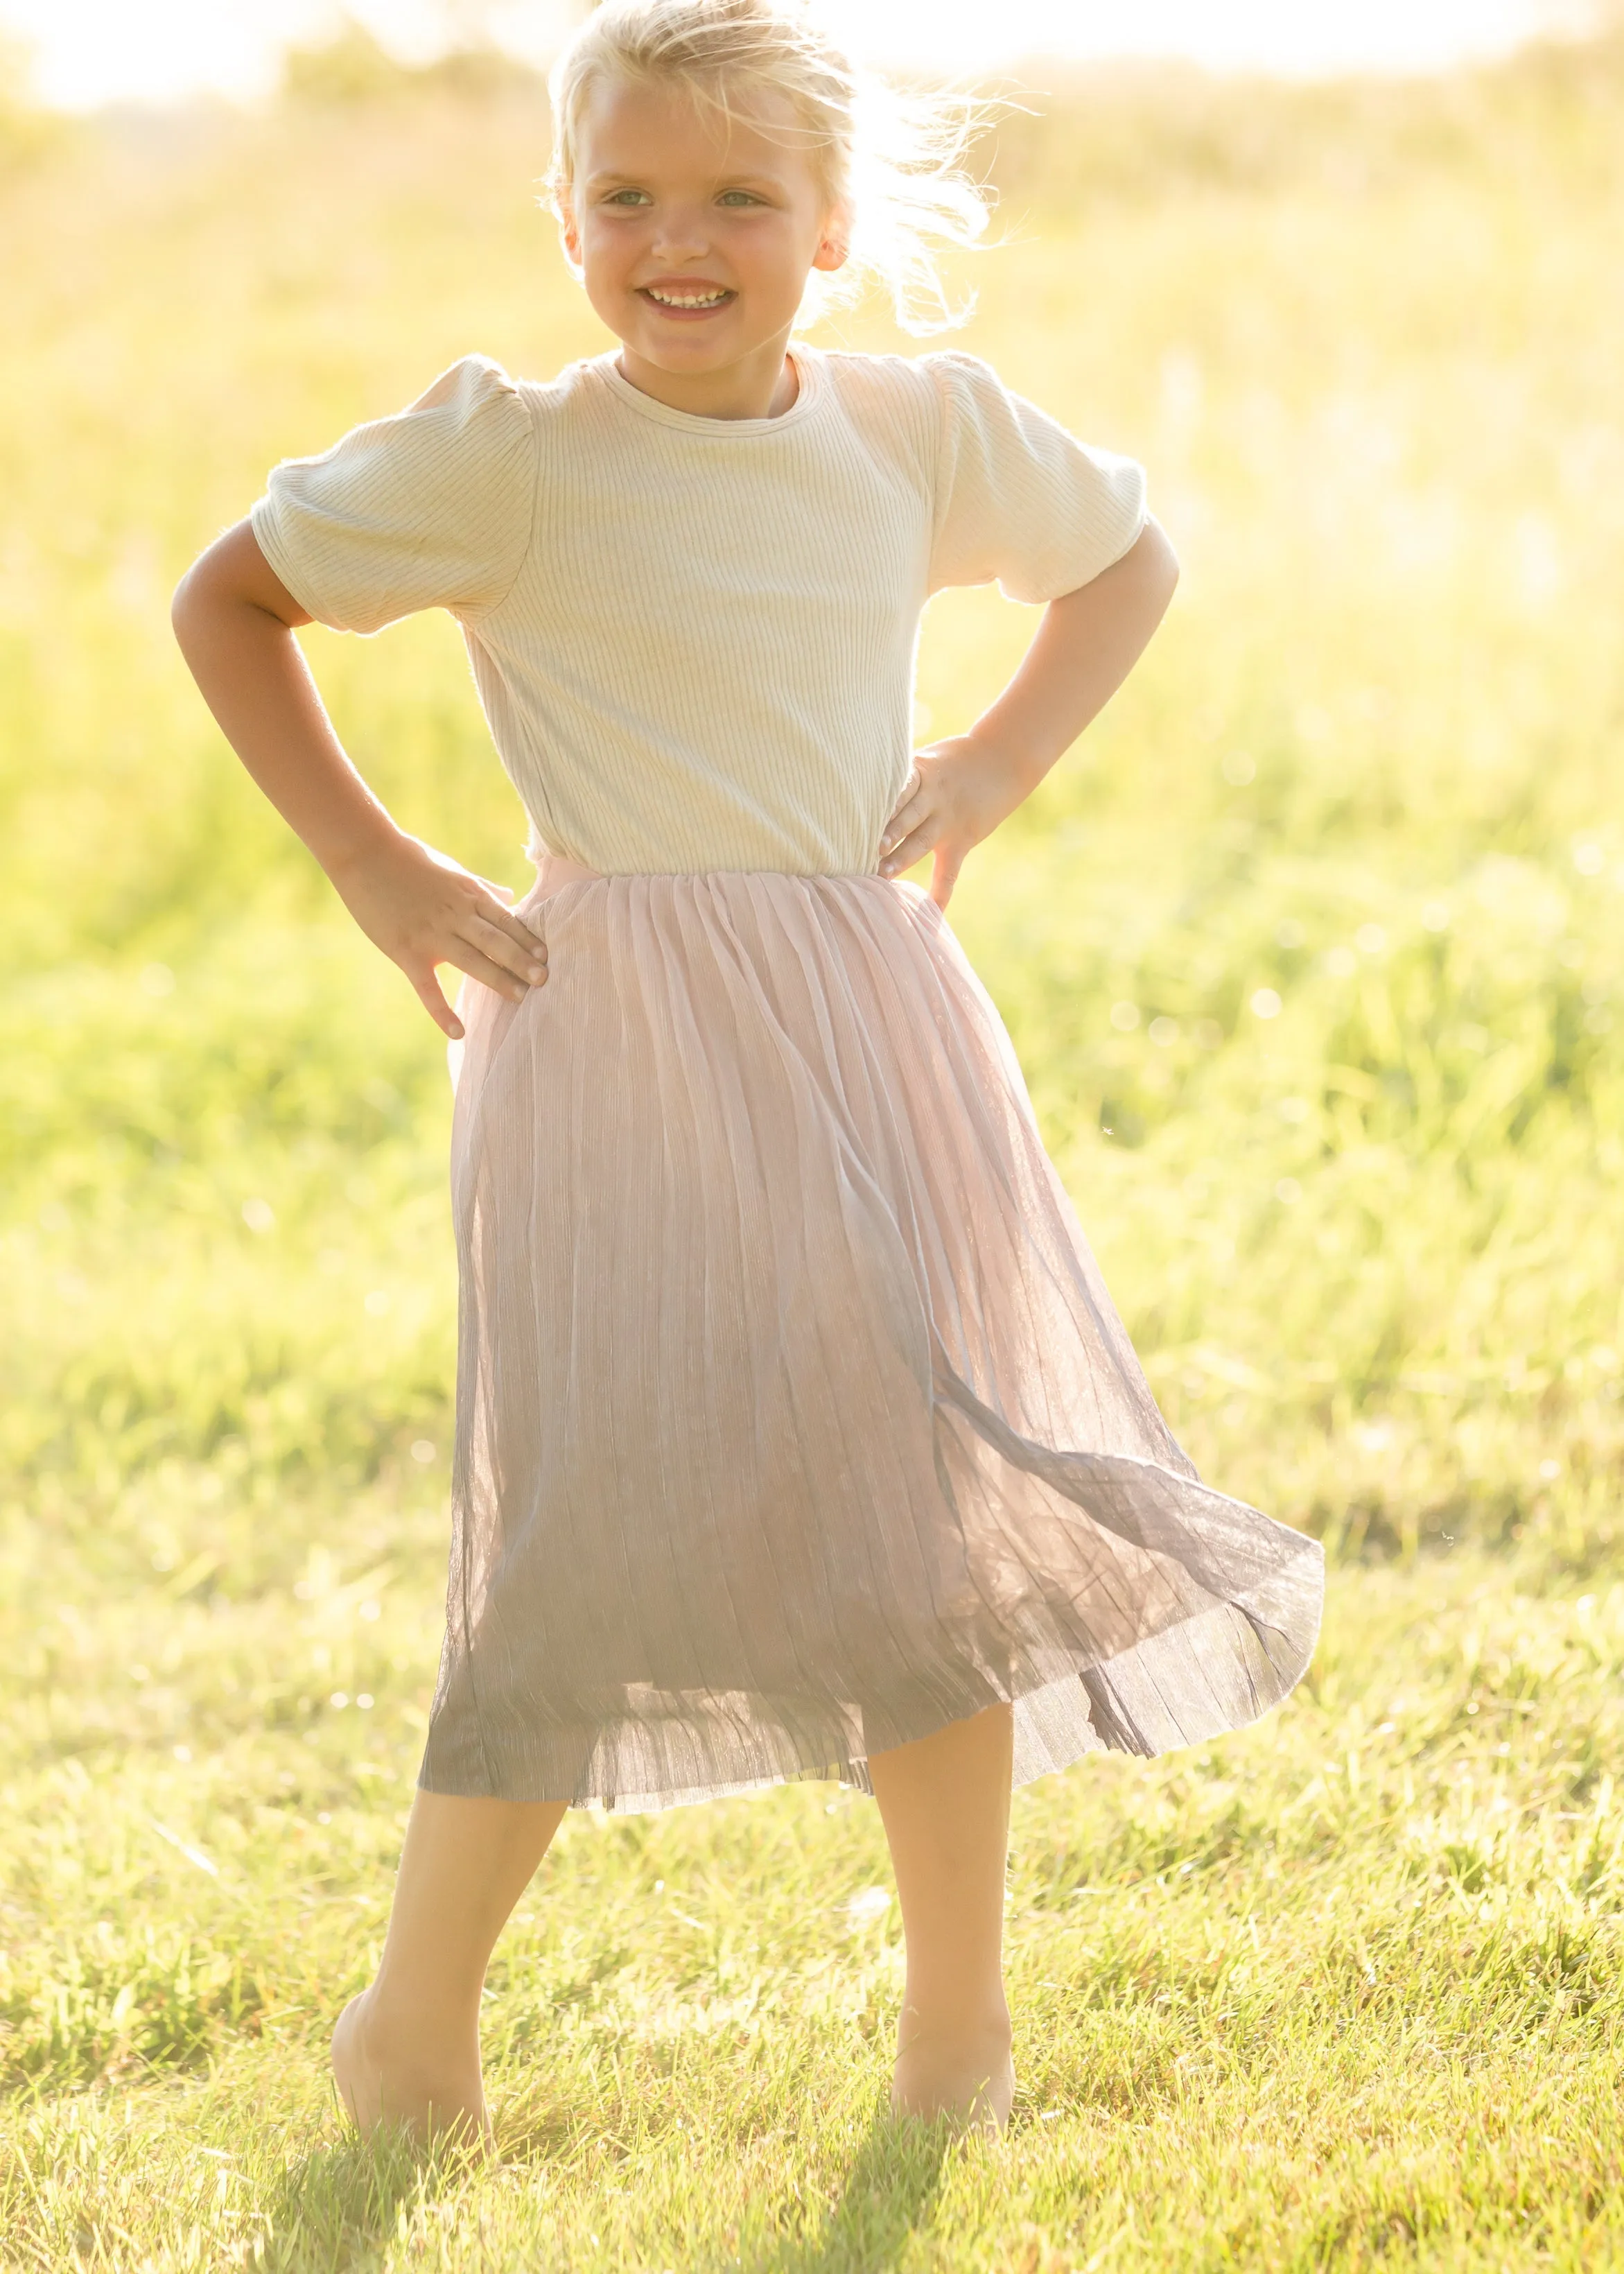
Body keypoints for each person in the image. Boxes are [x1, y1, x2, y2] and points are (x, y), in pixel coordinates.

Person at [171, 0, 1323, 2146]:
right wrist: (371, 858)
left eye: (733, 200)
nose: (672, 242)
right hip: (610, 1035)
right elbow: (230, 599)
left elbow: (1125, 555)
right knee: (586, 1529)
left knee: (928, 1516)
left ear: (832, 227)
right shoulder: (510, 456)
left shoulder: (906, 434)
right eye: (625, 197)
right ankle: (412, 2027)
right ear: (564, 214)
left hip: (870, 1023)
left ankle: (954, 2037)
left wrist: (994, 759)